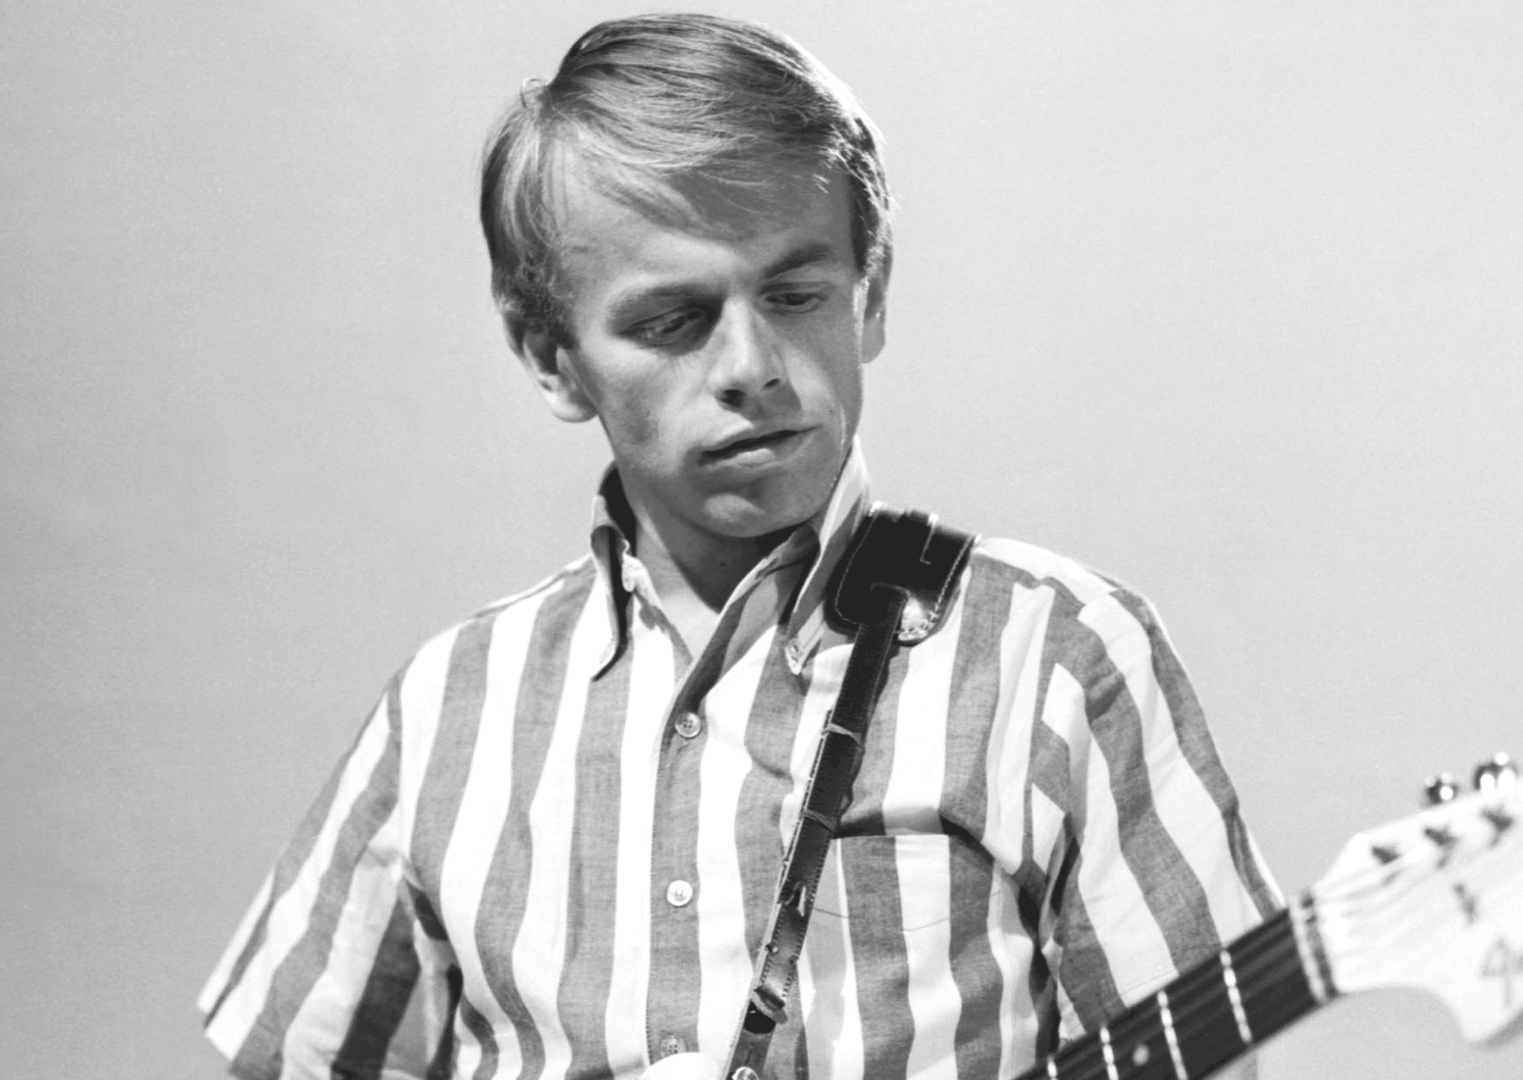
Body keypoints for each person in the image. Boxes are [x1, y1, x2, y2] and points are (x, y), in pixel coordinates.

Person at [198, 13, 1280, 1080]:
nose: (751, 364)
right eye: (672, 320)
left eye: (797, 294)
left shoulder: (1056, 656)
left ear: (873, 293)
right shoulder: (448, 706)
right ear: (549, 356)